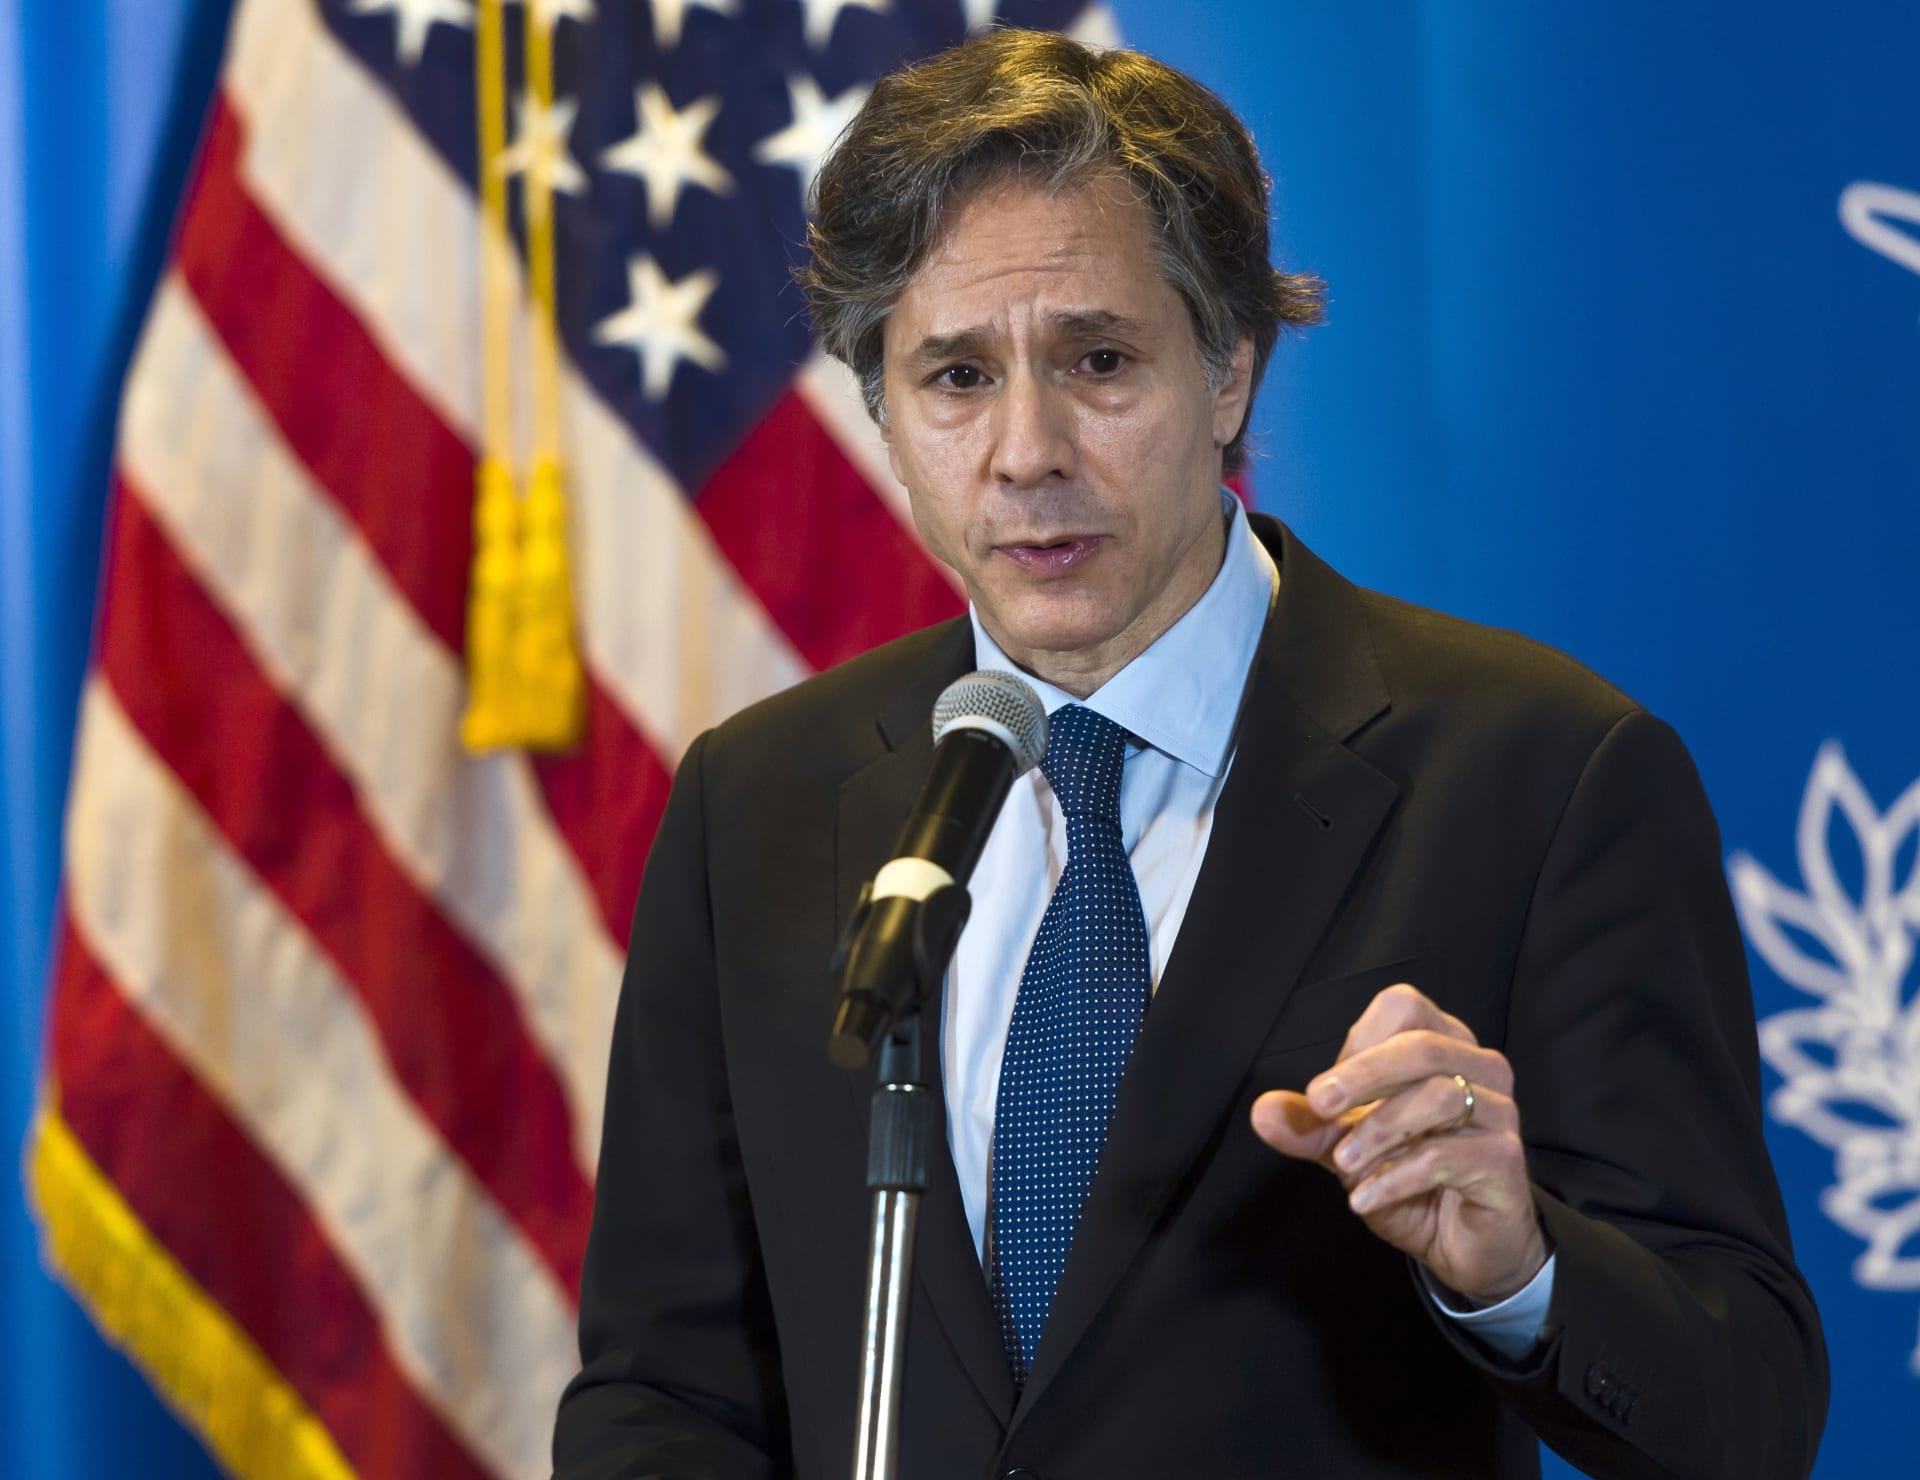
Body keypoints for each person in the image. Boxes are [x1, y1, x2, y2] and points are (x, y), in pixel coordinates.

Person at [553, 28, 1826, 1479]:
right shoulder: (757, 802)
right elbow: (662, 1390)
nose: (1026, 453)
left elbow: (1750, 1410)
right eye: (956, 377)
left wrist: (1517, 1270)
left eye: (1097, 360)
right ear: (885, 415)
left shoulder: (1543, 774)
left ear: (1230, 371)